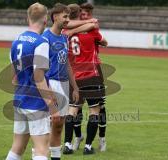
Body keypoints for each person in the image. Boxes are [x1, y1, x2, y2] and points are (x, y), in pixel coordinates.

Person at [6, 3, 56, 160]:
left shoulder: (16, 41)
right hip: (35, 102)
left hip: (20, 100)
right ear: (45, 20)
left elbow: (13, 77)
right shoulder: (41, 42)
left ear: (28, 18)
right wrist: (52, 105)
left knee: (17, 147)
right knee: (41, 149)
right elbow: (38, 77)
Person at [63, 3, 108, 155]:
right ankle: (88, 146)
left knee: (72, 110)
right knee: (95, 110)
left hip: (74, 77)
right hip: (91, 75)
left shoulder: (64, 31)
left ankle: (68, 144)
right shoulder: (92, 30)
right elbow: (105, 41)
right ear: (80, 14)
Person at [42, 3, 79, 160]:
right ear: (55, 17)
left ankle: (55, 157)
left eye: (69, 16)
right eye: (65, 16)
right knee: (46, 126)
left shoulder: (64, 37)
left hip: (64, 84)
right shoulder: (44, 38)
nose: (67, 19)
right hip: (50, 84)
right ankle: (40, 155)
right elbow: (39, 69)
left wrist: (75, 87)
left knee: (58, 127)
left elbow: (67, 63)